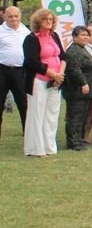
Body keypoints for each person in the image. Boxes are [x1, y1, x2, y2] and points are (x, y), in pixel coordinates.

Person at [23, 9, 67, 157]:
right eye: (45, 19)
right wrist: (52, 74)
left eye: (50, 19)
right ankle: (36, 149)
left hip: (55, 81)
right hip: (38, 80)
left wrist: (59, 75)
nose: (48, 21)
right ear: (38, 21)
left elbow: (63, 56)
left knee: (52, 113)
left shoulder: (54, 36)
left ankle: (49, 147)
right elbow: (32, 61)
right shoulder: (31, 38)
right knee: (37, 113)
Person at [63, 26, 92, 151]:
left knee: (83, 116)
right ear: (74, 37)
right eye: (82, 35)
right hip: (77, 90)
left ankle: (79, 139)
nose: (85, 37)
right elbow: (74, 69)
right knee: (76, 116)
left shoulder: (83, 49)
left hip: (88, 91)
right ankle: (73, 142)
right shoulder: (73, 51)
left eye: (87, 35)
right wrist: (83, 83)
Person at [0, 5, 30, 137]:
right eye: (10, 16)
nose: (13, 19)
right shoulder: (0, 31)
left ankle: (27, 133)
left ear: (20, 16)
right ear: (4, 16)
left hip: (20, 71)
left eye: (16, 16)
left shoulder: (26, 31)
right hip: (2, 70)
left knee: (24, 103)